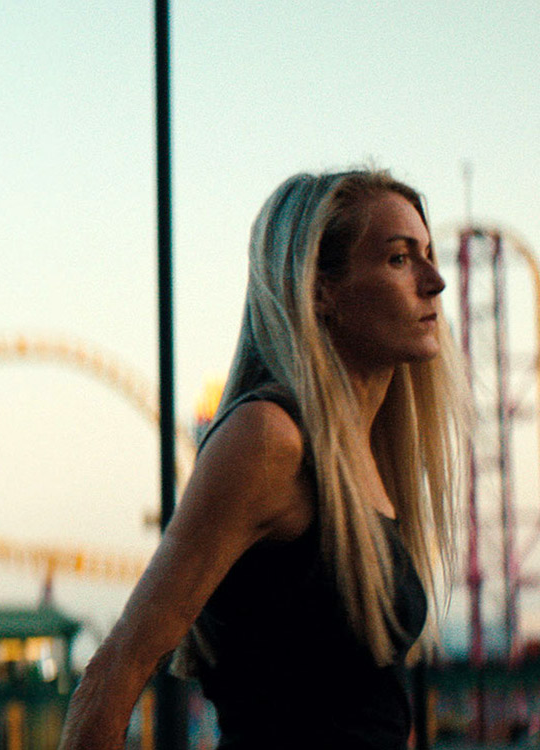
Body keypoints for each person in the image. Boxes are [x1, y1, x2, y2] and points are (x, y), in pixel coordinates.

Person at [58, 169, 468, 749]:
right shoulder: (269, 440)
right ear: (318, 289)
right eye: (401, 259)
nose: (436, 282)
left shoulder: (370, 457)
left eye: (428, 254)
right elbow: (116, 669)